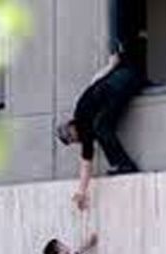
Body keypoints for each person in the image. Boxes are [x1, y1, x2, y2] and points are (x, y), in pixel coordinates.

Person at [55, 33, 147, 211]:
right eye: (71, 140)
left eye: (71, 137)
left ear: (72, 126)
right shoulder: (83, 116)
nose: (75, 140)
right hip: (124, 78)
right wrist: (111, 65)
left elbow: (86, 163)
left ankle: (124, 164)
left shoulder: (83, 123)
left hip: (121, 81)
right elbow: (95, 80)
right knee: (101, 126)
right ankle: (120, 164)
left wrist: (81, 192)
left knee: (101, 127)